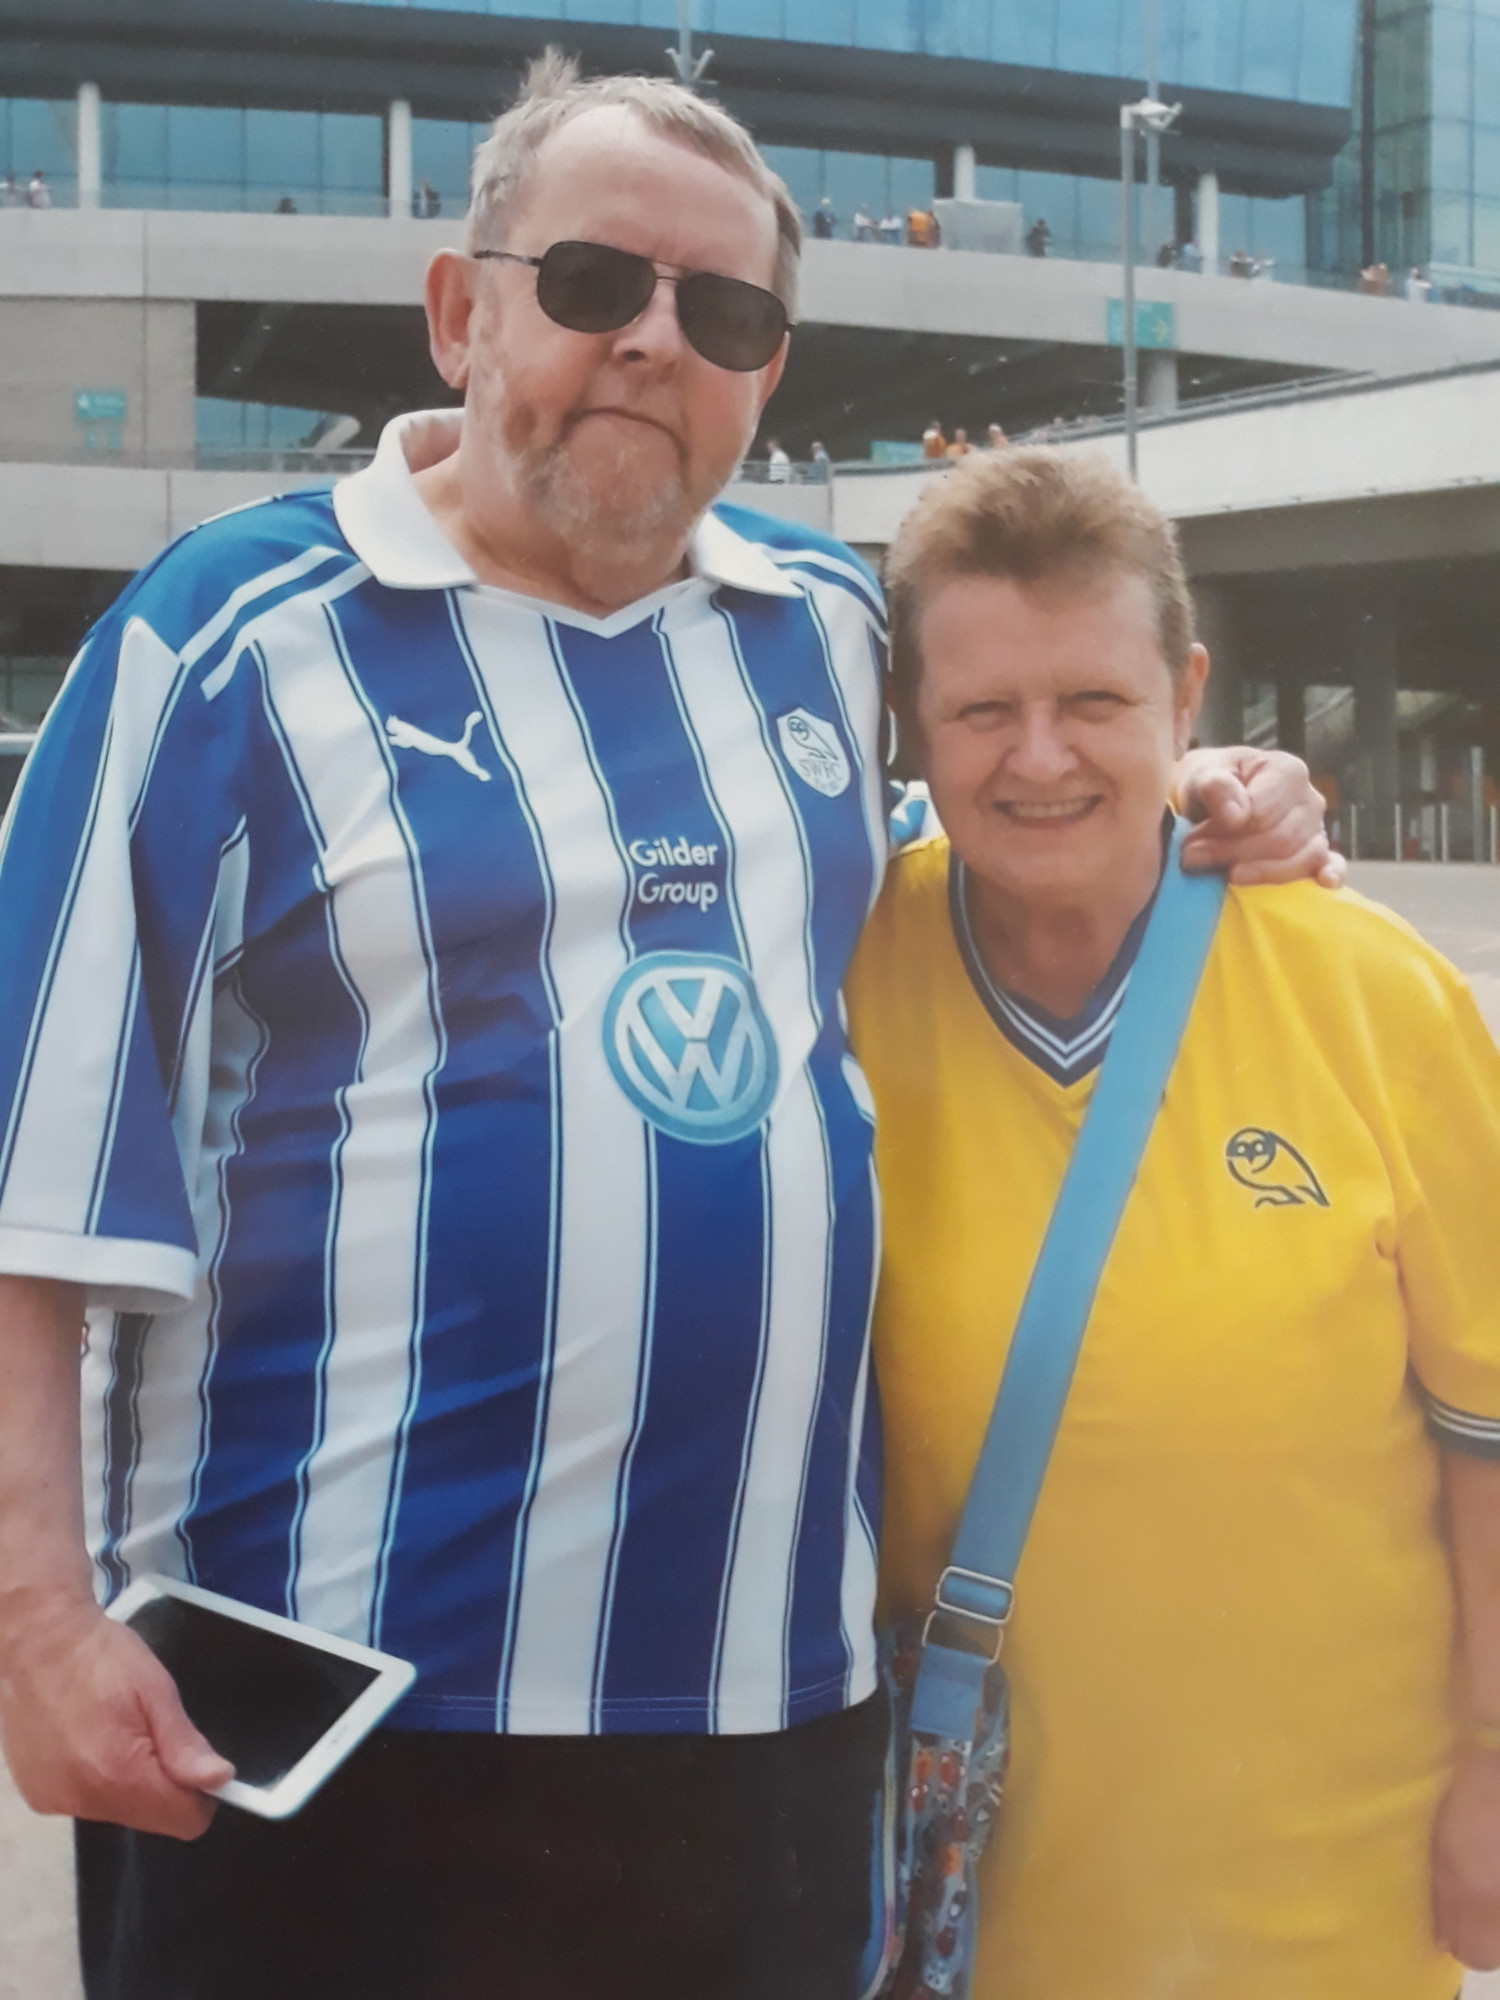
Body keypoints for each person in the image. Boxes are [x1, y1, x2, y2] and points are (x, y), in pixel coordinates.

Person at [0, 53, 1332, 2000]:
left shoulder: (822, 631)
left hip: (762, 1723)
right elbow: (32, 1175)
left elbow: (989, 815)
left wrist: (1196, 786)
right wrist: (34, 1616)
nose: (652, 340)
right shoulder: (229, 639)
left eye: (723, 313)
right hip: (325, 1710)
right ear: (462, 310)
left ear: (767, 374)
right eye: (593, 282)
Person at [847, 445, 1500, 2000]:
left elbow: (1488, 1432)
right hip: (956, 1897)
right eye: (983, 711)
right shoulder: (846, 975)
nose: (1041, 758)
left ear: (1187, 696)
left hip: (1322, 1890)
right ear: (912, 724)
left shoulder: (1373, 993)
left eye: (1095, 700)